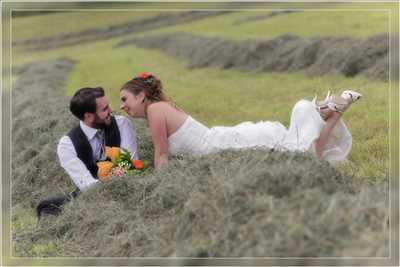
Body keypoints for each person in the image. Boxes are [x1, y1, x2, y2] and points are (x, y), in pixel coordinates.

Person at [119, 72, 361, 170]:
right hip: (219, 140)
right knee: (300, 153)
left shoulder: (155, 112)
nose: (122, 106)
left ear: (141, 96)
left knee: (296, 153)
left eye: (125, 99)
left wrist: (159, 185)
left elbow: (161, 155)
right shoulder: (162, 107)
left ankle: (320, 112)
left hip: (221, 147)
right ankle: (333, 110)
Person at [57, 87, 139, 191]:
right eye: (105, 109)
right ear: (89, 116)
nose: (111, 110)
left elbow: (129, 164)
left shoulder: (121, 124)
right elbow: (86, 185)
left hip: (127, 188)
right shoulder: (67, 145)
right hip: (92, 199)